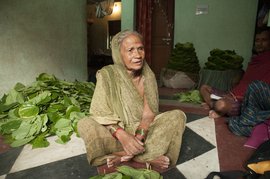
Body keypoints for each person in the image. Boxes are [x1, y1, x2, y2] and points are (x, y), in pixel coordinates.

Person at [78, 30, 186, 169]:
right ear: (119, 54)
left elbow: (148, 115)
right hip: (116, 131)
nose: (138, 55)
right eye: (130, 50)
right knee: (85, 123)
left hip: (142, 131)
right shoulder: (107, 75)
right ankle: (146, 158)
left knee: (178, 116)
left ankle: (123, 155)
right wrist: (123, 136)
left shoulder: (148, 76)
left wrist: (137, 139)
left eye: (140, 49)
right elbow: (101, 113)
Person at [200, 27, 270, 119]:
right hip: (231, 95)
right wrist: (230, 94)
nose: (259, 44)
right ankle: (213, 105)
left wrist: (237, 98)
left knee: (221, 105)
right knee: (204, 88)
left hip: (243, 102)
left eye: (264, 40)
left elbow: (261, 91)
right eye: (257, 40)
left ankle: (217, 106)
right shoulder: (254, 60)